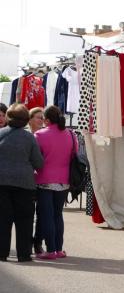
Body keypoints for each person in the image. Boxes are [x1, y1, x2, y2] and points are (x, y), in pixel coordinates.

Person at [0, 104, 44, 262]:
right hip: (25, 184)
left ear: (9, 118)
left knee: (3, 220)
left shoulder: (1, 133)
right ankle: (24, 254)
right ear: (26, 120)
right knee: (24, 221)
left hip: (2, 183)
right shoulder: (29, 138)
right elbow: (38, 163)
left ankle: (1, 253)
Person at [34, 105, 77, 260]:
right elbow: (74, 154)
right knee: (58, 215)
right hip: (64, 180)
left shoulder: (39, 134)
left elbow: (35, 158)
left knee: (47, 215)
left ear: (46, 119)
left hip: (44, 179)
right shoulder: (71, 134)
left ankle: (50, 250)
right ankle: (58, 249)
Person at [29, 107, 45, 254]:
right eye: (38, 117)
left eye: (42, 117)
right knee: (28, 214)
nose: (41, 120)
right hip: (28, 180)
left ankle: (38, 242)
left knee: (41, 214)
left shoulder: (45, 136)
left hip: (42, 179)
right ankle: (27, 242)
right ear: (30, 119)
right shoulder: (27, 135)